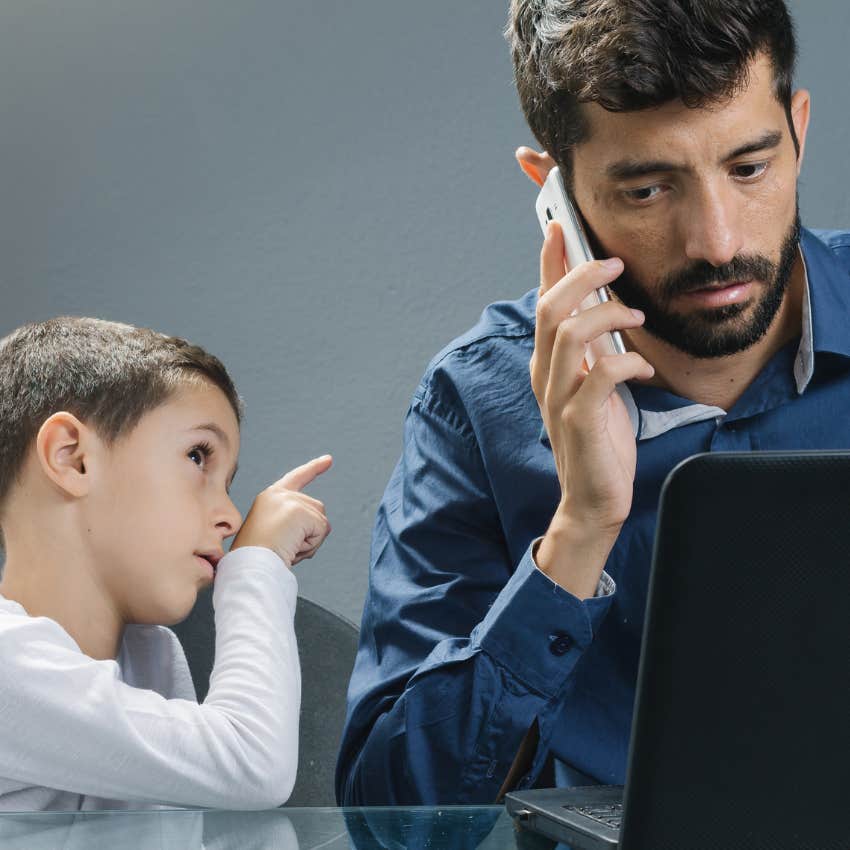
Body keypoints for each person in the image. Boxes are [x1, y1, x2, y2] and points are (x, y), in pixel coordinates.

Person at [337, 0, 850, 805]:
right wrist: (579, 531)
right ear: (556, 193)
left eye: (749, 168)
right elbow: (396, 820)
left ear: (799, 129)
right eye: (648, 190)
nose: (717, 241)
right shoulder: (475, 400)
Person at [0, 317, 332, 810]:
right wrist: (258, 565)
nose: (232, 516)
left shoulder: (149, 656)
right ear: (72, 458)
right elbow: (251, 763)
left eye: (228, 482)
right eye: (198, 456)